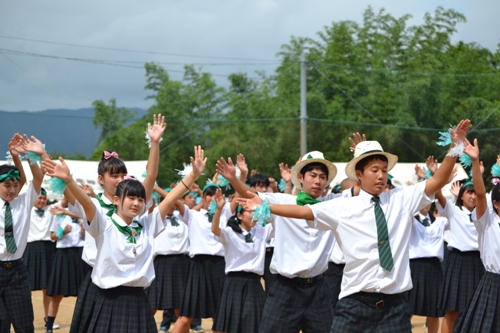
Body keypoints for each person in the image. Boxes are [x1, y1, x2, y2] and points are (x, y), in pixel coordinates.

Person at [237, 119, 470, 332]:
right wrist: (266, 205)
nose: (381, 176)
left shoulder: (401, 199)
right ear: (359, 174)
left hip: (395, 305)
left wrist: (455, 147)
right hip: (354, 304)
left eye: (384, 170)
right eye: (374, 170)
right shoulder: (342, 206)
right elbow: (303, 211)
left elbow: (438, 180)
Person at [42, 145, 207, 333]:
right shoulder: (104, 224)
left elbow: (170, 199)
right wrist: (69, 180)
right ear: (116, 200)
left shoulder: (146, 225)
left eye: (140, 199)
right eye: (131, 198)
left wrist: (193, 175)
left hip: (139, 301)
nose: (136, 203)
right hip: (109, 301)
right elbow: (87, 203)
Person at [216, 151, 344, 333]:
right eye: (313, 175)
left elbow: (358, 192)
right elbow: (252, 195)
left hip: (318, 288)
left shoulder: (333, 204)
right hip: (286, 288)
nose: (318, 181)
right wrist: (234, 180)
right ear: (301, 177)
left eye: (323, 177)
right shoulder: (283, 201)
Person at [171, 182, 235, 333]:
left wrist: (241, 175)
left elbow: (239, 194)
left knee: (220, 317)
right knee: (185, 316)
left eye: (216, 195)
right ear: (203, 197)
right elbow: (172, 199)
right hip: (197, 266)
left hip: (220, 265)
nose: (213, 198)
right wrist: (183, 184)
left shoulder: (225, 213)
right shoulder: (192, 215)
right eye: (209, 195)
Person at [432, 159, 485, 333]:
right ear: (460, 195)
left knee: (478, 310)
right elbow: (437, 193)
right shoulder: (454, 211)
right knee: (452, 311)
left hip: (479, 263)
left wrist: (480, 174)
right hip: (458, 262)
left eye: (475, 193)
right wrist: (439, 177)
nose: (472, 196)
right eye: (468, 192)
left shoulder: (484, 215)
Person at [211, 189, 274, 333]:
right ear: (239, 215)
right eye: (250, 212)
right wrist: (219, 209)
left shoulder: (261, 231)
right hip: (234, 282)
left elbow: (279, 223)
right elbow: (215, 230)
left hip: (254, 283)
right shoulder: (229, 232)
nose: (254, 216)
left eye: (255, 212)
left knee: (253, 326)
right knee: (225, 327)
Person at [453, 139, 500, 332]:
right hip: (493, 284)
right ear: (496, 204)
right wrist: (475, 161)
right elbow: (481, 194)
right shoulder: (487, 222)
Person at [0, 133, 44, 333]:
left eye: (15, 185)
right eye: (6, 185)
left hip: (17, 271)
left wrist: (27, 155)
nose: (12, 189)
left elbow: (37, 178)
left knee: (24, 325)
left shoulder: (23, 202)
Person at [145, 187, 190, 332]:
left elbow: (178, 202)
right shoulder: (154, 217)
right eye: (166, 202)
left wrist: (159, 189)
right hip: (161, 263)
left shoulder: (183, 217)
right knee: (151, 305)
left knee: (181, 307)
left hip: (181, 264)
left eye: (173, 203)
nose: (171, 206)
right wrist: (154, 187)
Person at [45, 196, 86, 333]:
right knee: (57, 293)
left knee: (84, 294)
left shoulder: (83, 215)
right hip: (64, 254)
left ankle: (84, 326)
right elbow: (52, 236)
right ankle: (49, 327)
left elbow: (88, 237)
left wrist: (82, 229)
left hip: (81, 254)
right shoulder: (60, 213)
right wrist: (62, 232)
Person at [407, 202, 448, 333]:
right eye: (422, 200)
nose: (426, 203)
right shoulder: (411, 219)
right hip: (415, 266)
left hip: (434, 267)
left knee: (434, 309)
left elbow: (455, 214)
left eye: (429, 200)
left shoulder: (440, 221)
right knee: (409, 307)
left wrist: (455, 196)